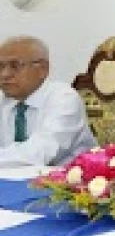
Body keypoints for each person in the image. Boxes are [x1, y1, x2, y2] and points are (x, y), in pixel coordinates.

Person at [0, 36, 95, 168]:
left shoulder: (64, 98)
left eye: (15, 66)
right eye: (0, 66)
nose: (4, 74)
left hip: (67, 178)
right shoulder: (3, 99)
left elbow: (42, 152)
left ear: (43, 69)